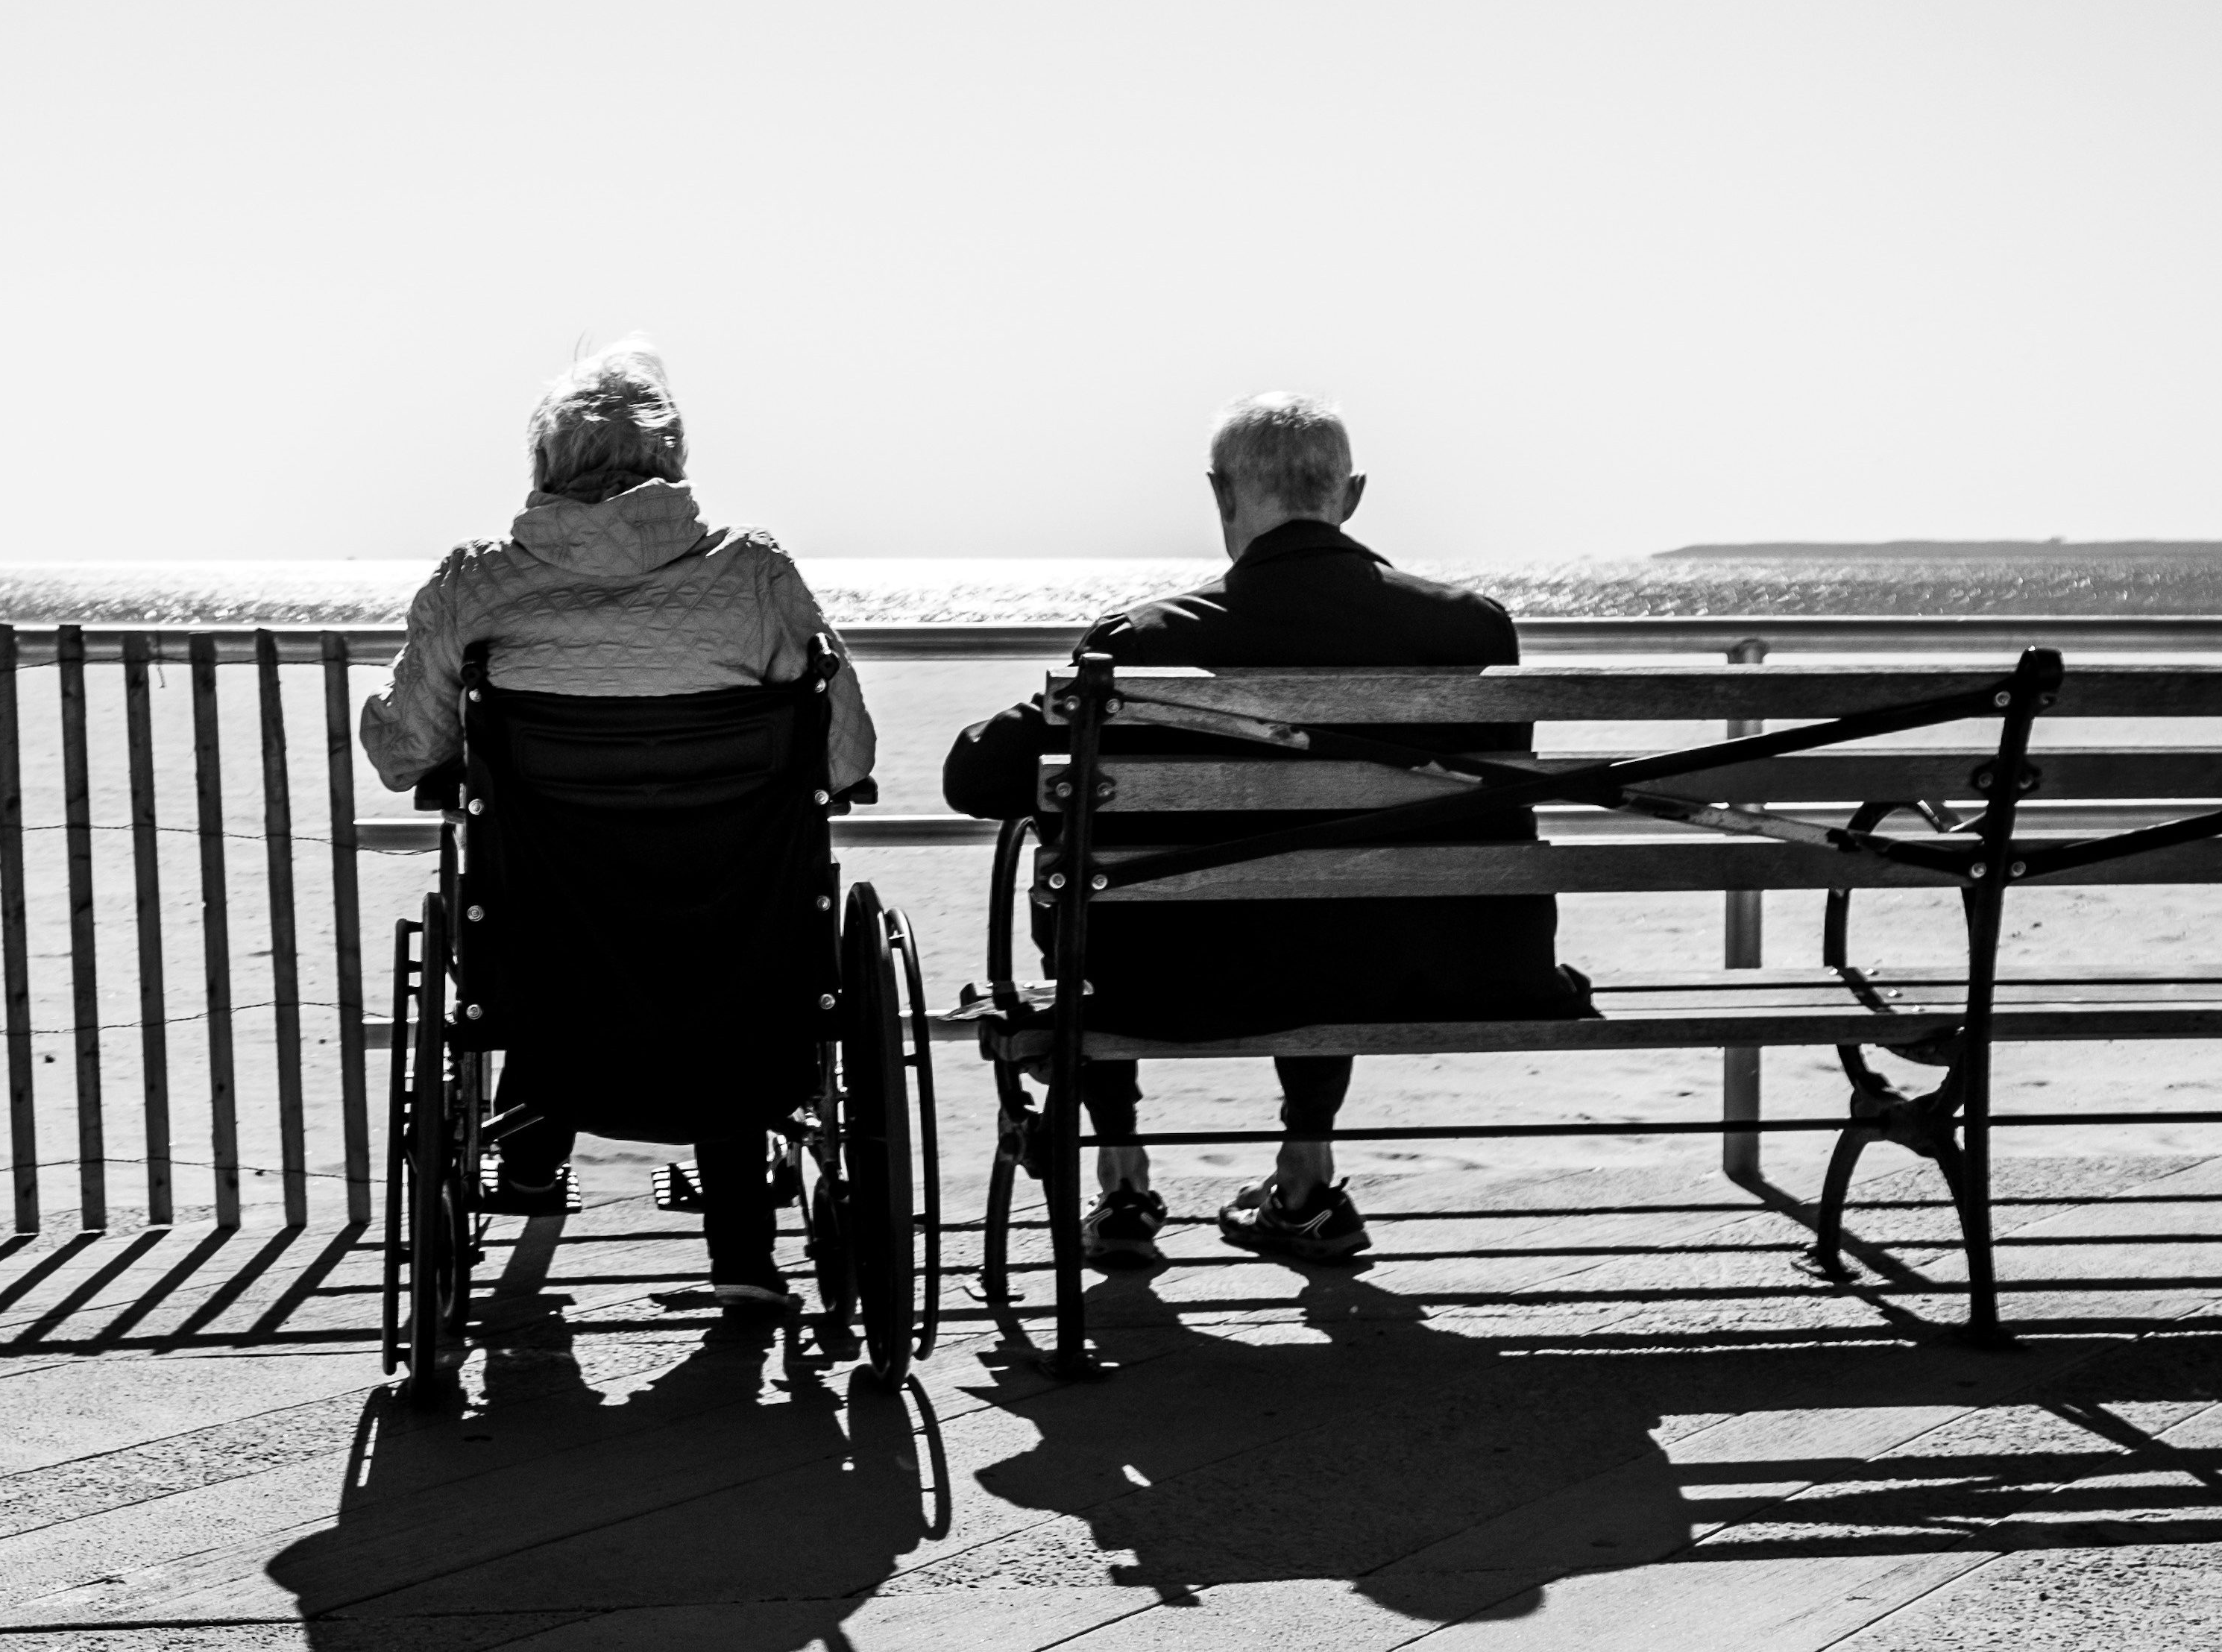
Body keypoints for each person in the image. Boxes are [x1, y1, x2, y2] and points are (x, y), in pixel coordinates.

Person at [941, 392, 1591, 1267]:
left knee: (1088, 872)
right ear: (1350, 495)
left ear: (1220, 495)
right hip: (1433, 969)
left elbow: (972, 777)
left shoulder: (1142, 641)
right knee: (1342, 892)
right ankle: (1305, 1175)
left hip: (1176, 985)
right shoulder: (1470, 627)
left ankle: (1122, 1177)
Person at [361, 339, 876, 1305]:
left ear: (544, 466)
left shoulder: (475, 584)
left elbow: (403, 754)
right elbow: (844, 757)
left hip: (554, 959)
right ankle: (742, 1260)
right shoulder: (752, 573)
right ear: (671, 461)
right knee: (712, 920)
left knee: (562, 904)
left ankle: (524, 1161)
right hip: (736, 959)